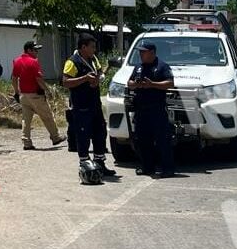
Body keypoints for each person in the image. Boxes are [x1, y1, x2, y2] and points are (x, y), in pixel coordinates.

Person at [62, 33, 116, 184]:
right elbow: (66, 82)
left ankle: (100, 163)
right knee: (83, 135)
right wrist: (85, 79)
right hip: (81, 105)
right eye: (92, 47)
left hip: (95, 103)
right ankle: (85, 164)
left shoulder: (93, 59)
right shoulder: (72, 62)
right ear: (83, 47)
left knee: (100, 132)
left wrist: (97, 79)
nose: (94, 49)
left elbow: (99, 73)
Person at [127, 42, 175, 178]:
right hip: (141, 109)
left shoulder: (162, 66)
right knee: (142, 140)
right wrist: (136, 84)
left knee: (162, 141)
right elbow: (129, 83)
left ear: (152, 52)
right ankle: (147, 167)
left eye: (144, 52)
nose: (141, 54)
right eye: (140, 52)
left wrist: (152, 85)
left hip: (157, 109)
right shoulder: (138, 67)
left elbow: (170, 83)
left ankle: (168, 169)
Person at [11, 41, 65, 151]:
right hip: (35, 95)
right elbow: (39, 79)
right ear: (29, 50)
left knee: (26, 119)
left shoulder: (17, 61)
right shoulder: (33, 62)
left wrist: (17, 92)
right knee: (47, 116)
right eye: (35, 50)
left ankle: (26, 142)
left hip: (24, 95)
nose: (37, 52)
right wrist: (48, 90)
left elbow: (14, 78)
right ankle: (55, 137)